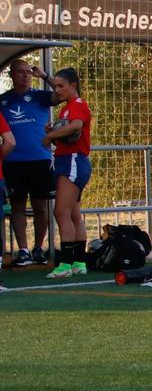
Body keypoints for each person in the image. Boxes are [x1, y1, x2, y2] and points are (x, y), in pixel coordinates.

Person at [2, 57, 55, 267]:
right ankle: (23, 250)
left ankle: (38, 248)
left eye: (28, 71)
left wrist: (44, 76)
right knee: (17, 205)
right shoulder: (4, 100)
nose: (25, 75)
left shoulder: (40, 97)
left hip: (40, 159)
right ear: (11, 75)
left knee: (41, 206)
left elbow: (62, 94)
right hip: (13, 161)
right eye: (20, 72)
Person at [44, 68, 92, 279]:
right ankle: (79, 262)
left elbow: (76, 126)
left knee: (60, 213)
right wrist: (53, 132)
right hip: (70, 160)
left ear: (73, 85)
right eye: (55, 86)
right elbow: (70, 130)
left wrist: (51, 135)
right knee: (73, 214)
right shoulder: (66, 108)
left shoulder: (77, 105)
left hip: (73, 160)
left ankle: (65, 264)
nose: (57, 89)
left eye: (61, 85)